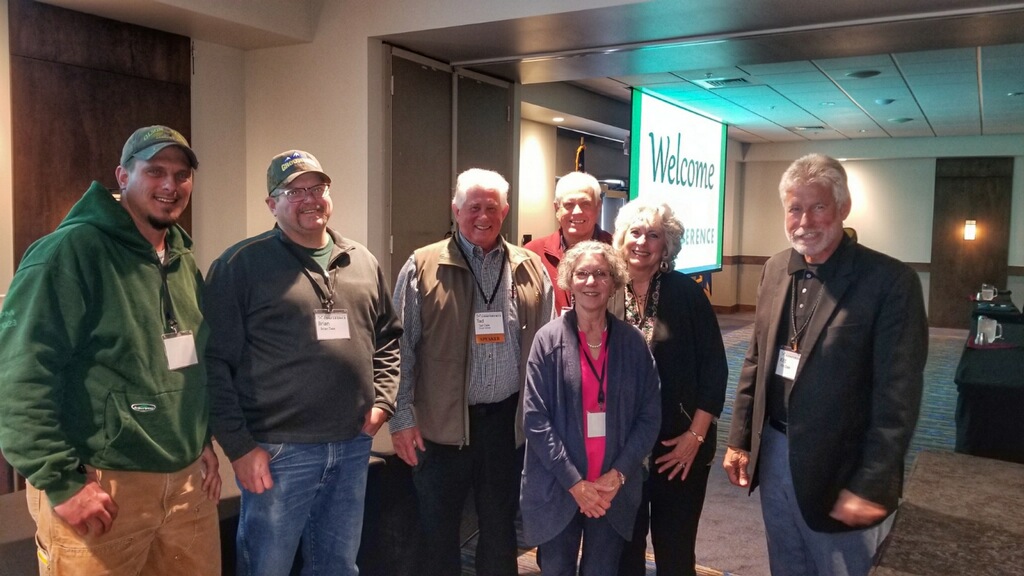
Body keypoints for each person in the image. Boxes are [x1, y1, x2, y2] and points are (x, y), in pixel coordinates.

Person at [0, 125, 221, 574]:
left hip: (185, 489)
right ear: (122, 176)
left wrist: (199, 440)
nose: (169, 185)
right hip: (102, 486)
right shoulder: (69, 253)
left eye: (181, 175)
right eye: (155, 171)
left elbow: (186, 364)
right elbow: (21, 376)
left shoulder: (181, 260)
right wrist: (61, 484)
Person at [723, 153, 928, 576]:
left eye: (818, 207)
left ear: (843, 208)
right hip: (775, 453)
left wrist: (872, 481)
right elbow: (757, 360)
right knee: (786, 564)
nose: (804, 221)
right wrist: (740, 438)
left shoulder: (890, 282)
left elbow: (898, 399)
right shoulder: (776, 268)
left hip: (844, 466)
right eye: (795, 208)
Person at [204, 150, 402, 575]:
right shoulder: (240, 265)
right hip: (278, 452)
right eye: (294, 191)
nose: (309, 198)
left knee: (338, 566)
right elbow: (214, 363)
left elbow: (388, 337)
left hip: (352, 446)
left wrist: (383, 401)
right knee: (266, 567)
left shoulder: (361, 261)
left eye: (317, 188)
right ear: (271, 204)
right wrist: (239, 448)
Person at [391, 167, 553, 576]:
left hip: (505, 423)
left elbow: (549, 350)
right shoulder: (421, 266)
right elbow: (400, 349)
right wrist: (402, 418)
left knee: (501, 529)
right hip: (440, 426)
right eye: (473, 207)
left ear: (506, 211)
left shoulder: (531, 267)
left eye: (492, 207)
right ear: (455, 209)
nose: (483, 216)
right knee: (438, 533)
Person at [521, 241, 661, 576]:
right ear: (568, 282)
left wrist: (619, 474)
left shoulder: (632, 342)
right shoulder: (547, 340)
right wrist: (575, 484)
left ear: (614, 282)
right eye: (582, 273)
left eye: (600, 274)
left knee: (603, 570)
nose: (591, 282)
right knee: (556, 569)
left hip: (611, 490)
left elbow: (649, 414)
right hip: (559, 486)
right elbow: (535, 419)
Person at [610, 199, 728, 576]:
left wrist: (696, 435)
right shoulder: (605, 292)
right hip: (621, 447)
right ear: (621, 238)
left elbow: (714, 369)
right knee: (624, 550)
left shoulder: (688, 294)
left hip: (679, 447)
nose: (642, 241)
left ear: (667, 246)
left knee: (675, 554)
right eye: (635, 232)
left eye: (654, 235)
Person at [525, 171, 613, 315]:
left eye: (585, 204)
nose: (577, 211)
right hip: (551, 337)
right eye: (569, 204)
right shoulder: (533, 254)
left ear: (598, 207)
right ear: (556, 208)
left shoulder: (617, 251)